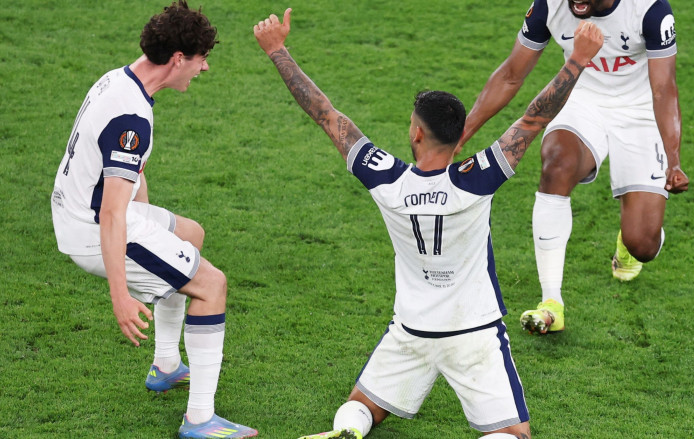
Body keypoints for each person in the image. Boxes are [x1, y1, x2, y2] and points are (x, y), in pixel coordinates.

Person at [253, 9, 602, 439]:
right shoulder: (479, 179)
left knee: (360, 406)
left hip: (411, 331)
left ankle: (347, 431)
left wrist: (277, 50)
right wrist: (577, 59)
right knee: (515, 435)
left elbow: (326, 114)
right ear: (458, 136)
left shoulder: (386, 179)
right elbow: (534, 118)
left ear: (417, 134)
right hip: (474, 332)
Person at [50, 2, 257, 438]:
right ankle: (199, 420)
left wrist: (155, 228)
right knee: (212, 285)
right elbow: (112, 214)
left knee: (190, 235)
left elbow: (130, 175)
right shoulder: (131, 117)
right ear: (178, 58)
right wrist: (120, 296)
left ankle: (166, 365)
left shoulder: (119, 79)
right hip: (93, 227)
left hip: (82, 210)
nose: (204, 68)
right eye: (202, 59)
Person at [459, 0, 690, 335]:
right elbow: (511, 75)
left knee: (643, 244)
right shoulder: (549, 5)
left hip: (640, 112)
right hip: (581, 101)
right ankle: (551, 302)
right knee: (556, 164)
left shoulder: (649, 9)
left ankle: (628, 246)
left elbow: (664, 89)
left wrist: (674, 160)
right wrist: (463, 134)